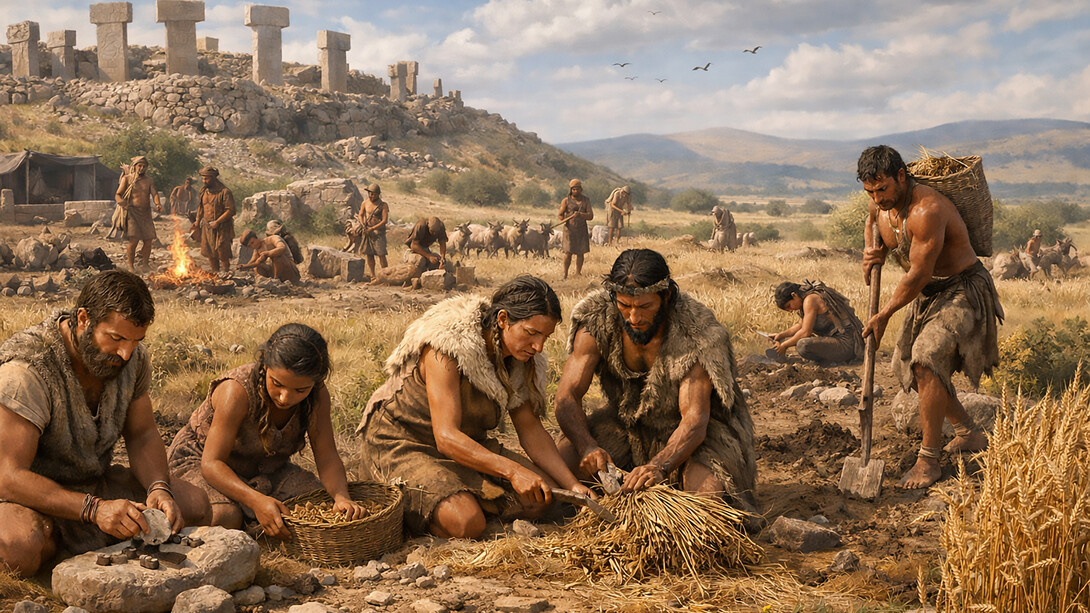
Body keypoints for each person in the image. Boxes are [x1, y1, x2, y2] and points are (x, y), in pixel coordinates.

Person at [0, 270, 211, 576]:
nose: (126, 352)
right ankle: (54, 547)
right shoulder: (26, 372)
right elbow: (8, 477)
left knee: (194, 503)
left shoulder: (132, 358)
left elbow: (142, 434)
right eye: (116, 339)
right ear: (84, 319)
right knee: (19, 547)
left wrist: (159, 487)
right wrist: (94, 510)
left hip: (92, 484)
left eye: (136, 341)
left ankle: (73, 547)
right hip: (26, 496)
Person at [357, 276, 592, 538]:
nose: (538, 347)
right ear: (503, 319)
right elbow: (446, 437)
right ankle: (423, 507)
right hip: (403, 443)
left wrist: (572, 487)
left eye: (545, 337)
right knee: (467, 523)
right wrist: (513, 471)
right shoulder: (447, 347)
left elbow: (530, 430)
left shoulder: (522, 359)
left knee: (542, 498)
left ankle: (464, 498)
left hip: (467, 445)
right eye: (531, 333)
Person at [554, 249, 758, 520]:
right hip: (625, 424)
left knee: (707, 506)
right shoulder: (596, 321)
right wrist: (587, 445)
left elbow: (695, 420)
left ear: (667, 296)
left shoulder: (698, 333)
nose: (634, 318)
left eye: (645, 307)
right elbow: (566, 397)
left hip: (701, 433)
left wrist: (660, 466)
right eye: (625, 306)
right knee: (556, 473)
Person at [858, 145, 1003, 489]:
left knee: (927, 359)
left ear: (902, 177)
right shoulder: (880, 204)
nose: (878, 198)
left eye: (883, 189)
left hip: (962, 287)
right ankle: (968, 431)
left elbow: (919, 273)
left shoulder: (928, 209)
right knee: (908, 364)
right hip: (928, 292)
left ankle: (929, 460)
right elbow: (872, 224)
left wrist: (884, 314)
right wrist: (872, 250)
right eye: (871, 192)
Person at [168, 324, 366, 539]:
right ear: (264, 364)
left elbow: (326, 456)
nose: (285, 398)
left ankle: (253, 519)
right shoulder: (235, 391)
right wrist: (256, 501)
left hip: (263, 469)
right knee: (226, 516)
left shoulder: (317, 395)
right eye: (277, 384)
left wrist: (341, 497)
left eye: (300, 390)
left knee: (315, 506)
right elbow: (211, 464)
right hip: (201, 462)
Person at [770, 281, 865, 365]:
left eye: (789, 306)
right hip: (839, 342)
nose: (791, 311)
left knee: (802, 345)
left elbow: (805, 332)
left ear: (794, 295)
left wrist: (784, 346)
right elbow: (800, 325)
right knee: (802, 341)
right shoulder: (805, 297)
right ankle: (829, 360)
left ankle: (833, 361)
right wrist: (781, 335)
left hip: (847, 344)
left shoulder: (810, 300)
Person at [114, 155, 162, 272]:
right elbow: (118, 195)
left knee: (148, 240)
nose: (142, 168)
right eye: (140, 166)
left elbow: (154, 193)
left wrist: (158, 204)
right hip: (133, 214)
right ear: (134, 167)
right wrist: (123, 203)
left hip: (146, 214)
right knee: (134, 240)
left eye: (144, 166)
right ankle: (131, 266)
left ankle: (145, 264)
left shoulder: (148, 180)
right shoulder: (127, 179)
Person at [193, 166, 236, 275]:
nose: (204, 181)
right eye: (202, 178)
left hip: (222, 226)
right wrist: (197, 221)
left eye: (206, 179)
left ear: (213, 178)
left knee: (222, 251)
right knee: (210, 252)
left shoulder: (225, 192)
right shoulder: (204, 191)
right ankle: (215, 273)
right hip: (207, 226)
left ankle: (225, 273)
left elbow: (230, 210)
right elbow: (201, 207)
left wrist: (217, 222)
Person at [558, 179, 593, 279]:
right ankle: (565, 274)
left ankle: (578, 273)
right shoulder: (566, 201)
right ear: (570, 190)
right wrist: (564, 219)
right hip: (569, 231)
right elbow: (560, 215)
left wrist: (581, 214)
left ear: (581, 189)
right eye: (573, 189)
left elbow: (590, 216)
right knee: (567, 253)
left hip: (581, 230)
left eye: (577, 189)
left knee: (580, 253)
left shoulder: (586, 201)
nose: (575, 191)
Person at [359, 183, 389, 280]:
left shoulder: (383, 205)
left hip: (378, 233)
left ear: (378, 194)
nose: (372, 196)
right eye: (371, 193)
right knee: (369, 255)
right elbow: (361, 214)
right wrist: (363, 224)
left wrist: (372, 228)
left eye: (374, 194)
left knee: (381, 255)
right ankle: (372, 275)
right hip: (368, 232)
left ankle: (386, 275)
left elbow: (384, 221)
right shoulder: (365, 203)